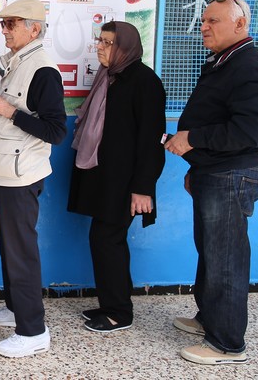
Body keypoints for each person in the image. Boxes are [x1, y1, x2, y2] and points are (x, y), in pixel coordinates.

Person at [165, 0, 258, 365]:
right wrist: (197, 167)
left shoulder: (249, 66)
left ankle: (228, 344)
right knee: (211, 252)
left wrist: (193, 140)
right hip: (214, 172)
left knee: (226, 258)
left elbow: (249, 130)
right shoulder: (223, 62)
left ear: (240, 24)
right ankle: (209, 319)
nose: (204, 27)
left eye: (213, 21)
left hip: (232, 175)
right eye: (204, 20)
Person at [0, 0, 67, 358]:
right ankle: (17, 308)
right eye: (4, 23)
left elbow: (56, 130)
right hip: (6, 172)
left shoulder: (43, 69)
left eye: (12, 23)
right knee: (10, 248)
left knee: (21, 253)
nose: (5, 30)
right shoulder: (19, 63)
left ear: (34, 28)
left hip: (21, 174)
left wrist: (8, 111)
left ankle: (33, 332)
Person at [68, 21, 166, 333]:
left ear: (125, 47)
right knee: (103, 238)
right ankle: (110, 302)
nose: (100, 46)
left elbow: (152, 141)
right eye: (100, 40)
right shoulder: (109, 77)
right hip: (106, 177)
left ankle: (119, 312)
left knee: (108, 239)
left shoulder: (144, 82)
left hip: (125, 183)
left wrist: (142, 189)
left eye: (108, 42)